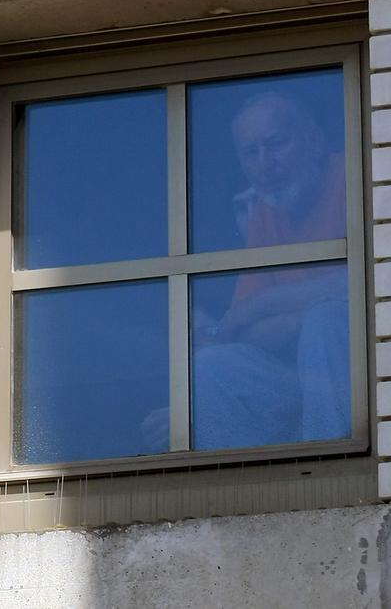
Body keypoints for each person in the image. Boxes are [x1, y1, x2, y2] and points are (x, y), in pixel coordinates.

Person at [143, 91, 349, 452]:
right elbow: (243, 331)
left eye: (276, 144)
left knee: (327, 322)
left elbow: (367, 280)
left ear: (315, 141)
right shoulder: (265, 212)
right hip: (300, 376)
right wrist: (295, 319)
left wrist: (265, 305)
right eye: (251, 152)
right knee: (211, 364)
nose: (264, 164)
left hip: (359, 373)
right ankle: (233, 484)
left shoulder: (356, 177)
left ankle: (335, 470)